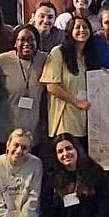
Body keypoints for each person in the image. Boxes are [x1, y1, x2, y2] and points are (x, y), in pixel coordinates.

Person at [42, 16, 100, 150]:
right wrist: (76, 102)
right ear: (69, 31)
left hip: (86, 120)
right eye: (77, 27)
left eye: (85, 27)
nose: (82, 30)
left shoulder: (89, 56)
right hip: (65, 119)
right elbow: (51, 86)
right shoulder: (58, 52)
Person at [0, 25, 47, 152]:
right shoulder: (2, 61)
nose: (26, 43)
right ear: (15, 43)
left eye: (31, 39)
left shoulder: (45, 60)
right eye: (22, 39)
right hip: (4, 132)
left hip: (33, 132)